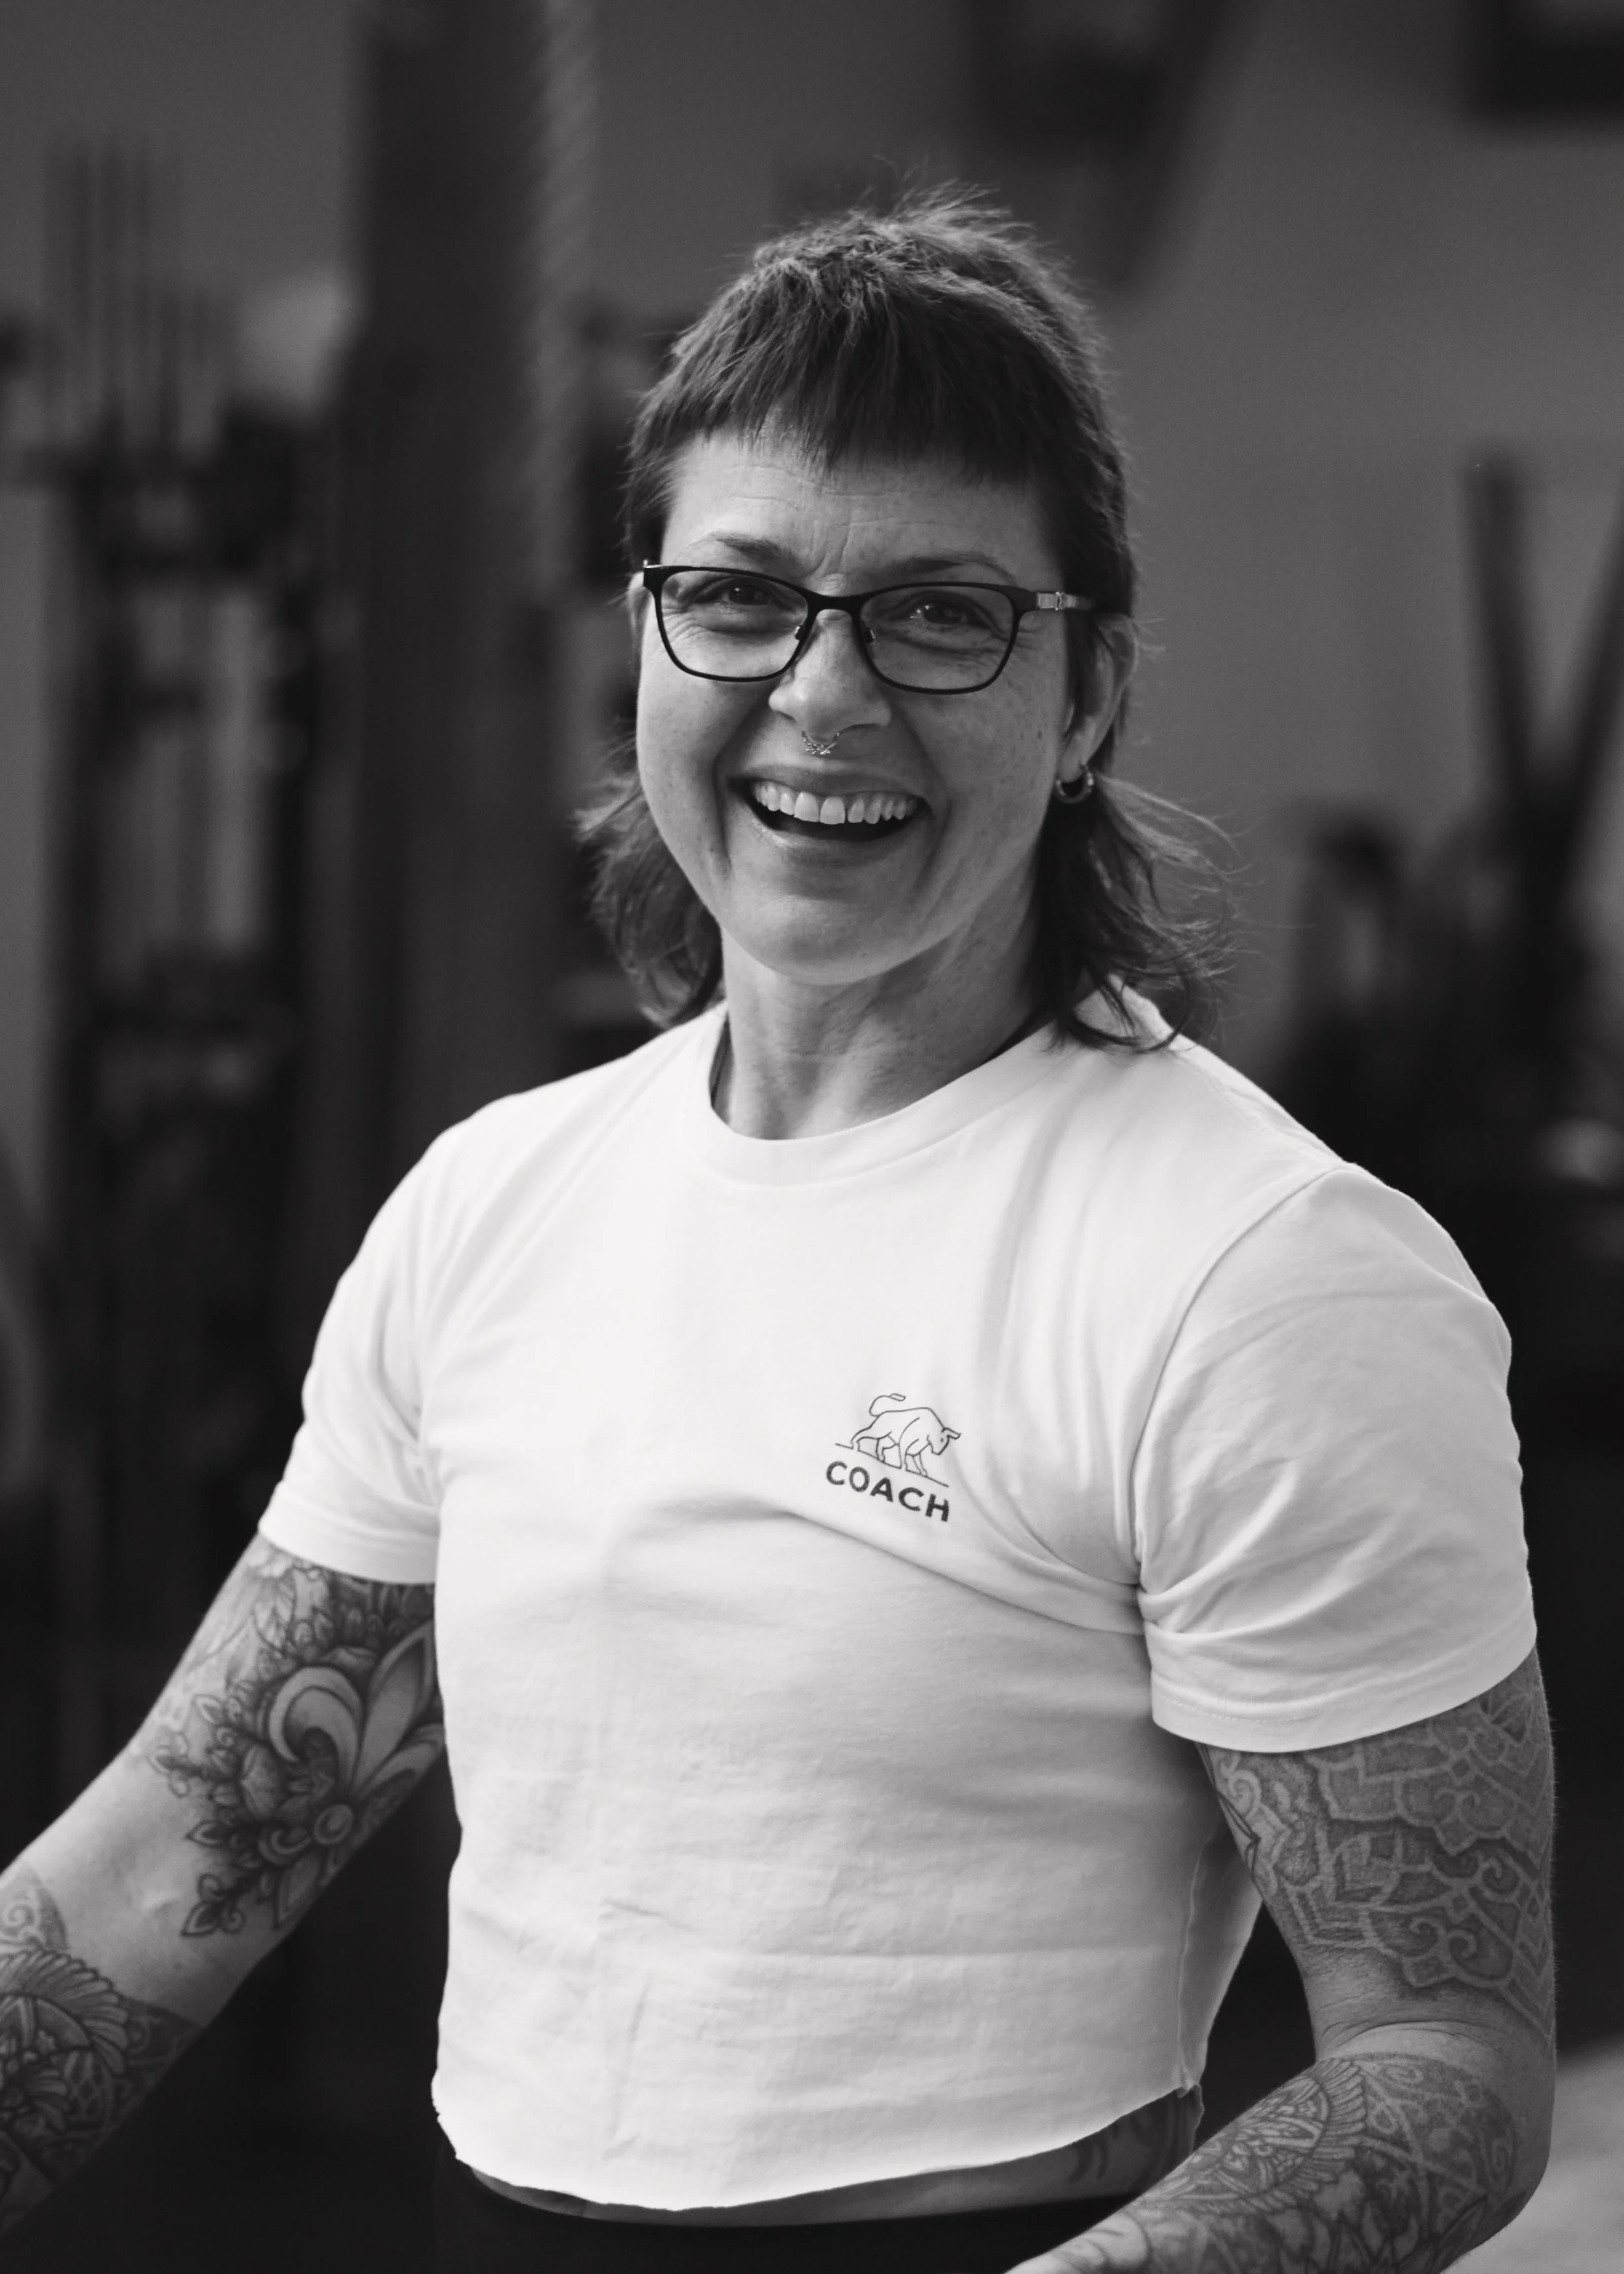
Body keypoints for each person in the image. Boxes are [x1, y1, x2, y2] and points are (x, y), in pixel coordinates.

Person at [0, 193, 1553, 2274]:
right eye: (737, 599)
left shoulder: (1261, 1272)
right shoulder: (496, 1202)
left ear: (1084, 695)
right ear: (645, 642)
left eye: (937, 615)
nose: (821, 696)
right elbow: (179, 1844)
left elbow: (1440, 2054)